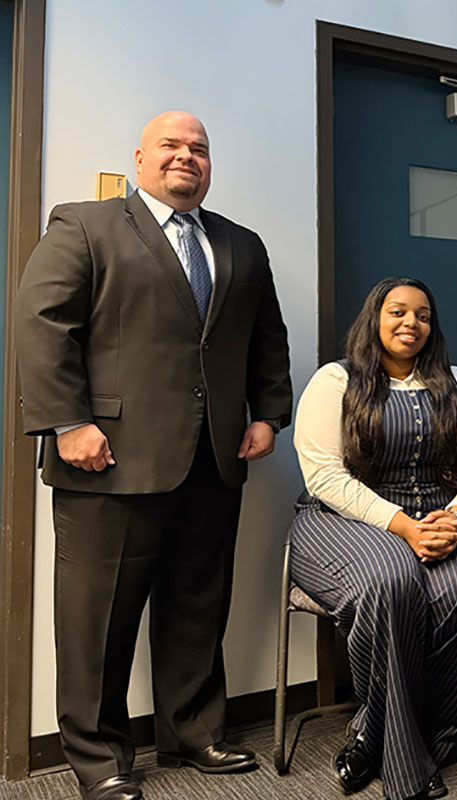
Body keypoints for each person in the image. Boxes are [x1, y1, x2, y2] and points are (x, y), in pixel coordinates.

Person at [13, 111, 292, 800]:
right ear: (139, 158)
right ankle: (99, 759)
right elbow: (42, 326)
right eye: (170, 145)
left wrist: (269, 415)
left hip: (213, 460)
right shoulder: (84, 225)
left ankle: (194, 733)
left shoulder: (242, 244)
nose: (186, 157)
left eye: (199, 149)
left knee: (198, 604)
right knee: (97, 619)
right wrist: (68, 423)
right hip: (105, 461)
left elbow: (267, 336)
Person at [288, 277, 457, 800]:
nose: (411, 323)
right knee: (392, 580)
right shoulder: (335, 380)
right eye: (398, 311)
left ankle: (384, 734)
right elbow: (324, 476)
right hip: (346, 520)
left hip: (443, 515)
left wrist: (456, 516)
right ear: (374, 318)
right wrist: (403, 526)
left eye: (423, 315)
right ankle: (401, 759)